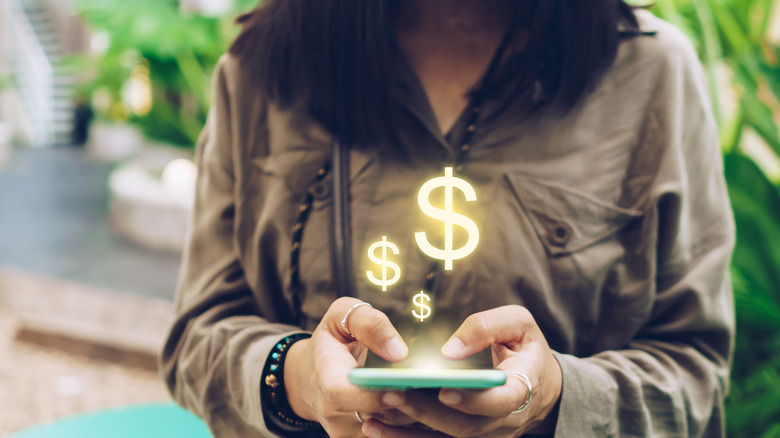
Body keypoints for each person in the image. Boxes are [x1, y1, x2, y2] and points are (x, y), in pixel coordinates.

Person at [159, 0, 735, 437]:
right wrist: (298, 378)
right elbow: (198, 336)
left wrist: (555, 396)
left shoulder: (650, 71)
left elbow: (694, 370)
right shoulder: (267, 66)